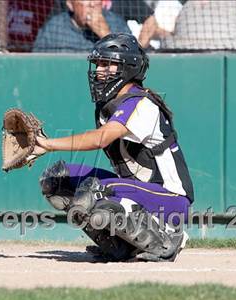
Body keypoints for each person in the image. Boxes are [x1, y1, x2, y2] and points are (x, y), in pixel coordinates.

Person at [34, 33, 194, 262]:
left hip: (169, 200)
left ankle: (167, 239)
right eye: (98, 64)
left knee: (93, 192)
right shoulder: (107, 106)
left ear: (128, 68)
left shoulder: (141, 103)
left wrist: (48, 144)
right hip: (134, 192)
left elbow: (101, 138)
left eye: (107, 64)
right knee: (56, 181)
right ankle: (120, 246)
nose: (99, 70)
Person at [33, 0, 130, 52]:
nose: (92, 4)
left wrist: (106, 34)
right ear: (70, 4)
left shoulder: (116, 23)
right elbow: (38, 62)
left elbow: (131, 58)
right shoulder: (54, 27)